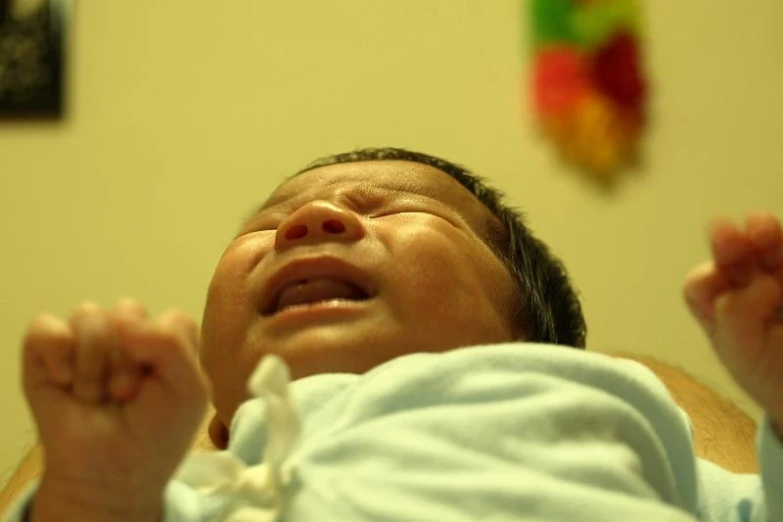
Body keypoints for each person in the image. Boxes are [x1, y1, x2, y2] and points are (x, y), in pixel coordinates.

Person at [2, 148, 781, 521]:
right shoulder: (203, 487)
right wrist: (99, 488)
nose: (309, 221)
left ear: (531, 343)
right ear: (217, 414)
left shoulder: (610, 412)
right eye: (265, 226)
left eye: (388, 209)